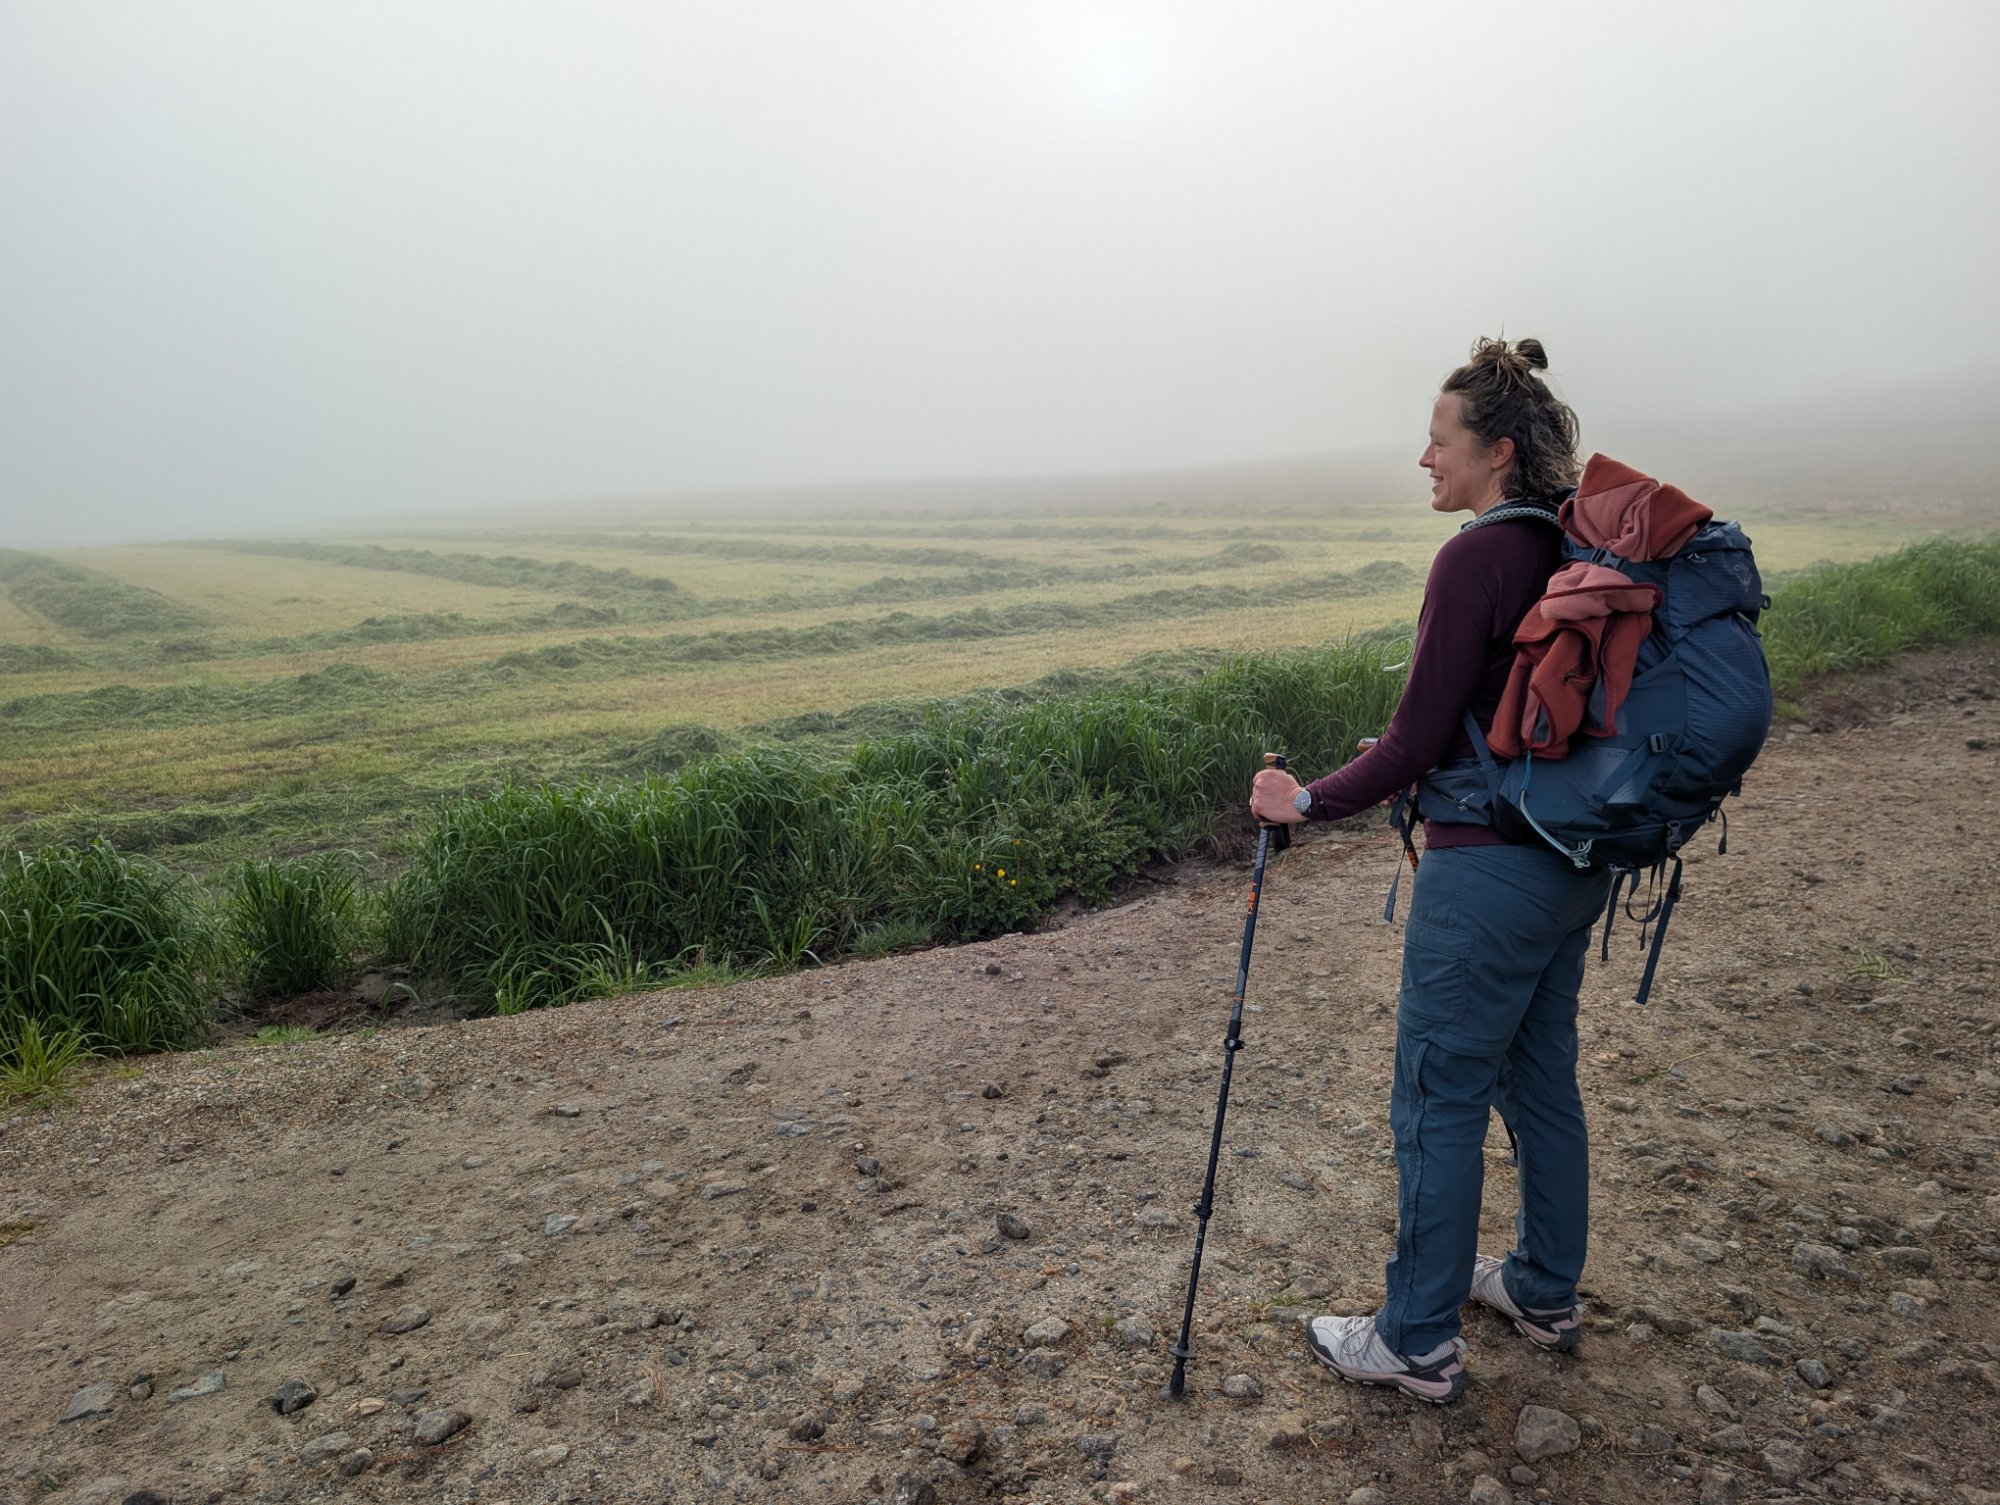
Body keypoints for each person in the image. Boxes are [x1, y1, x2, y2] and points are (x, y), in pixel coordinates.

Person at [1249, 336, 1613, 1404]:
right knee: (1537, 1074)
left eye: (1437, 439)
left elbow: (1408, 745)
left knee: (1436, 1096)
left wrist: (1302, 799)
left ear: (1495, 450)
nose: (1422, 457)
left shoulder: (1474, 558)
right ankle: (1543, 1288)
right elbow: (1487, 721)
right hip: (1565, 863)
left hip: (1484, 876)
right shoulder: (1562, 544)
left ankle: (1413, 1338)